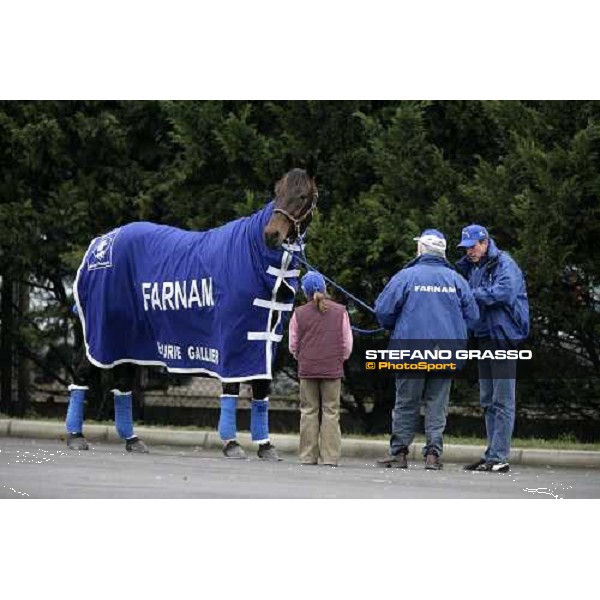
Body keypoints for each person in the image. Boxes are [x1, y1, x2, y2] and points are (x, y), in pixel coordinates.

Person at [374, 229, 479, 469]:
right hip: (446, 351)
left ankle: (399, 453)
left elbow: (383, 310)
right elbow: (473, 316)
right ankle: (433, 455)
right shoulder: (456, 280)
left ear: (421, 249)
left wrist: (394, 326)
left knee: (406, 403)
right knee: (437, 404)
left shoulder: (406, 276)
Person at [456, 224, 529, 473]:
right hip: (485, 335)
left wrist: (471, 294)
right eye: (465, 248)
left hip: (503, 337)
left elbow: (504, 293)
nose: (469, 252)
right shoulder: (475, 267)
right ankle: (492, 454)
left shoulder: (504, 264)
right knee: (487, 399)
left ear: (485, 242)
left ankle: (499, 456)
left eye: (472, 246)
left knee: (502, 399)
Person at [288, 272, 353, 466]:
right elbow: (347, 343)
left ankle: (308, 456)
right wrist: (340, 359)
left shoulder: (299, 313)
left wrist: (300, 356)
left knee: (308, 411)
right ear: (325, 289)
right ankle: (330, 457)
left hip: (307, 368)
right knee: (331, 411)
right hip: (332, 368)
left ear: (304, 292)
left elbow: (293, 344)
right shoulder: (340, 311)